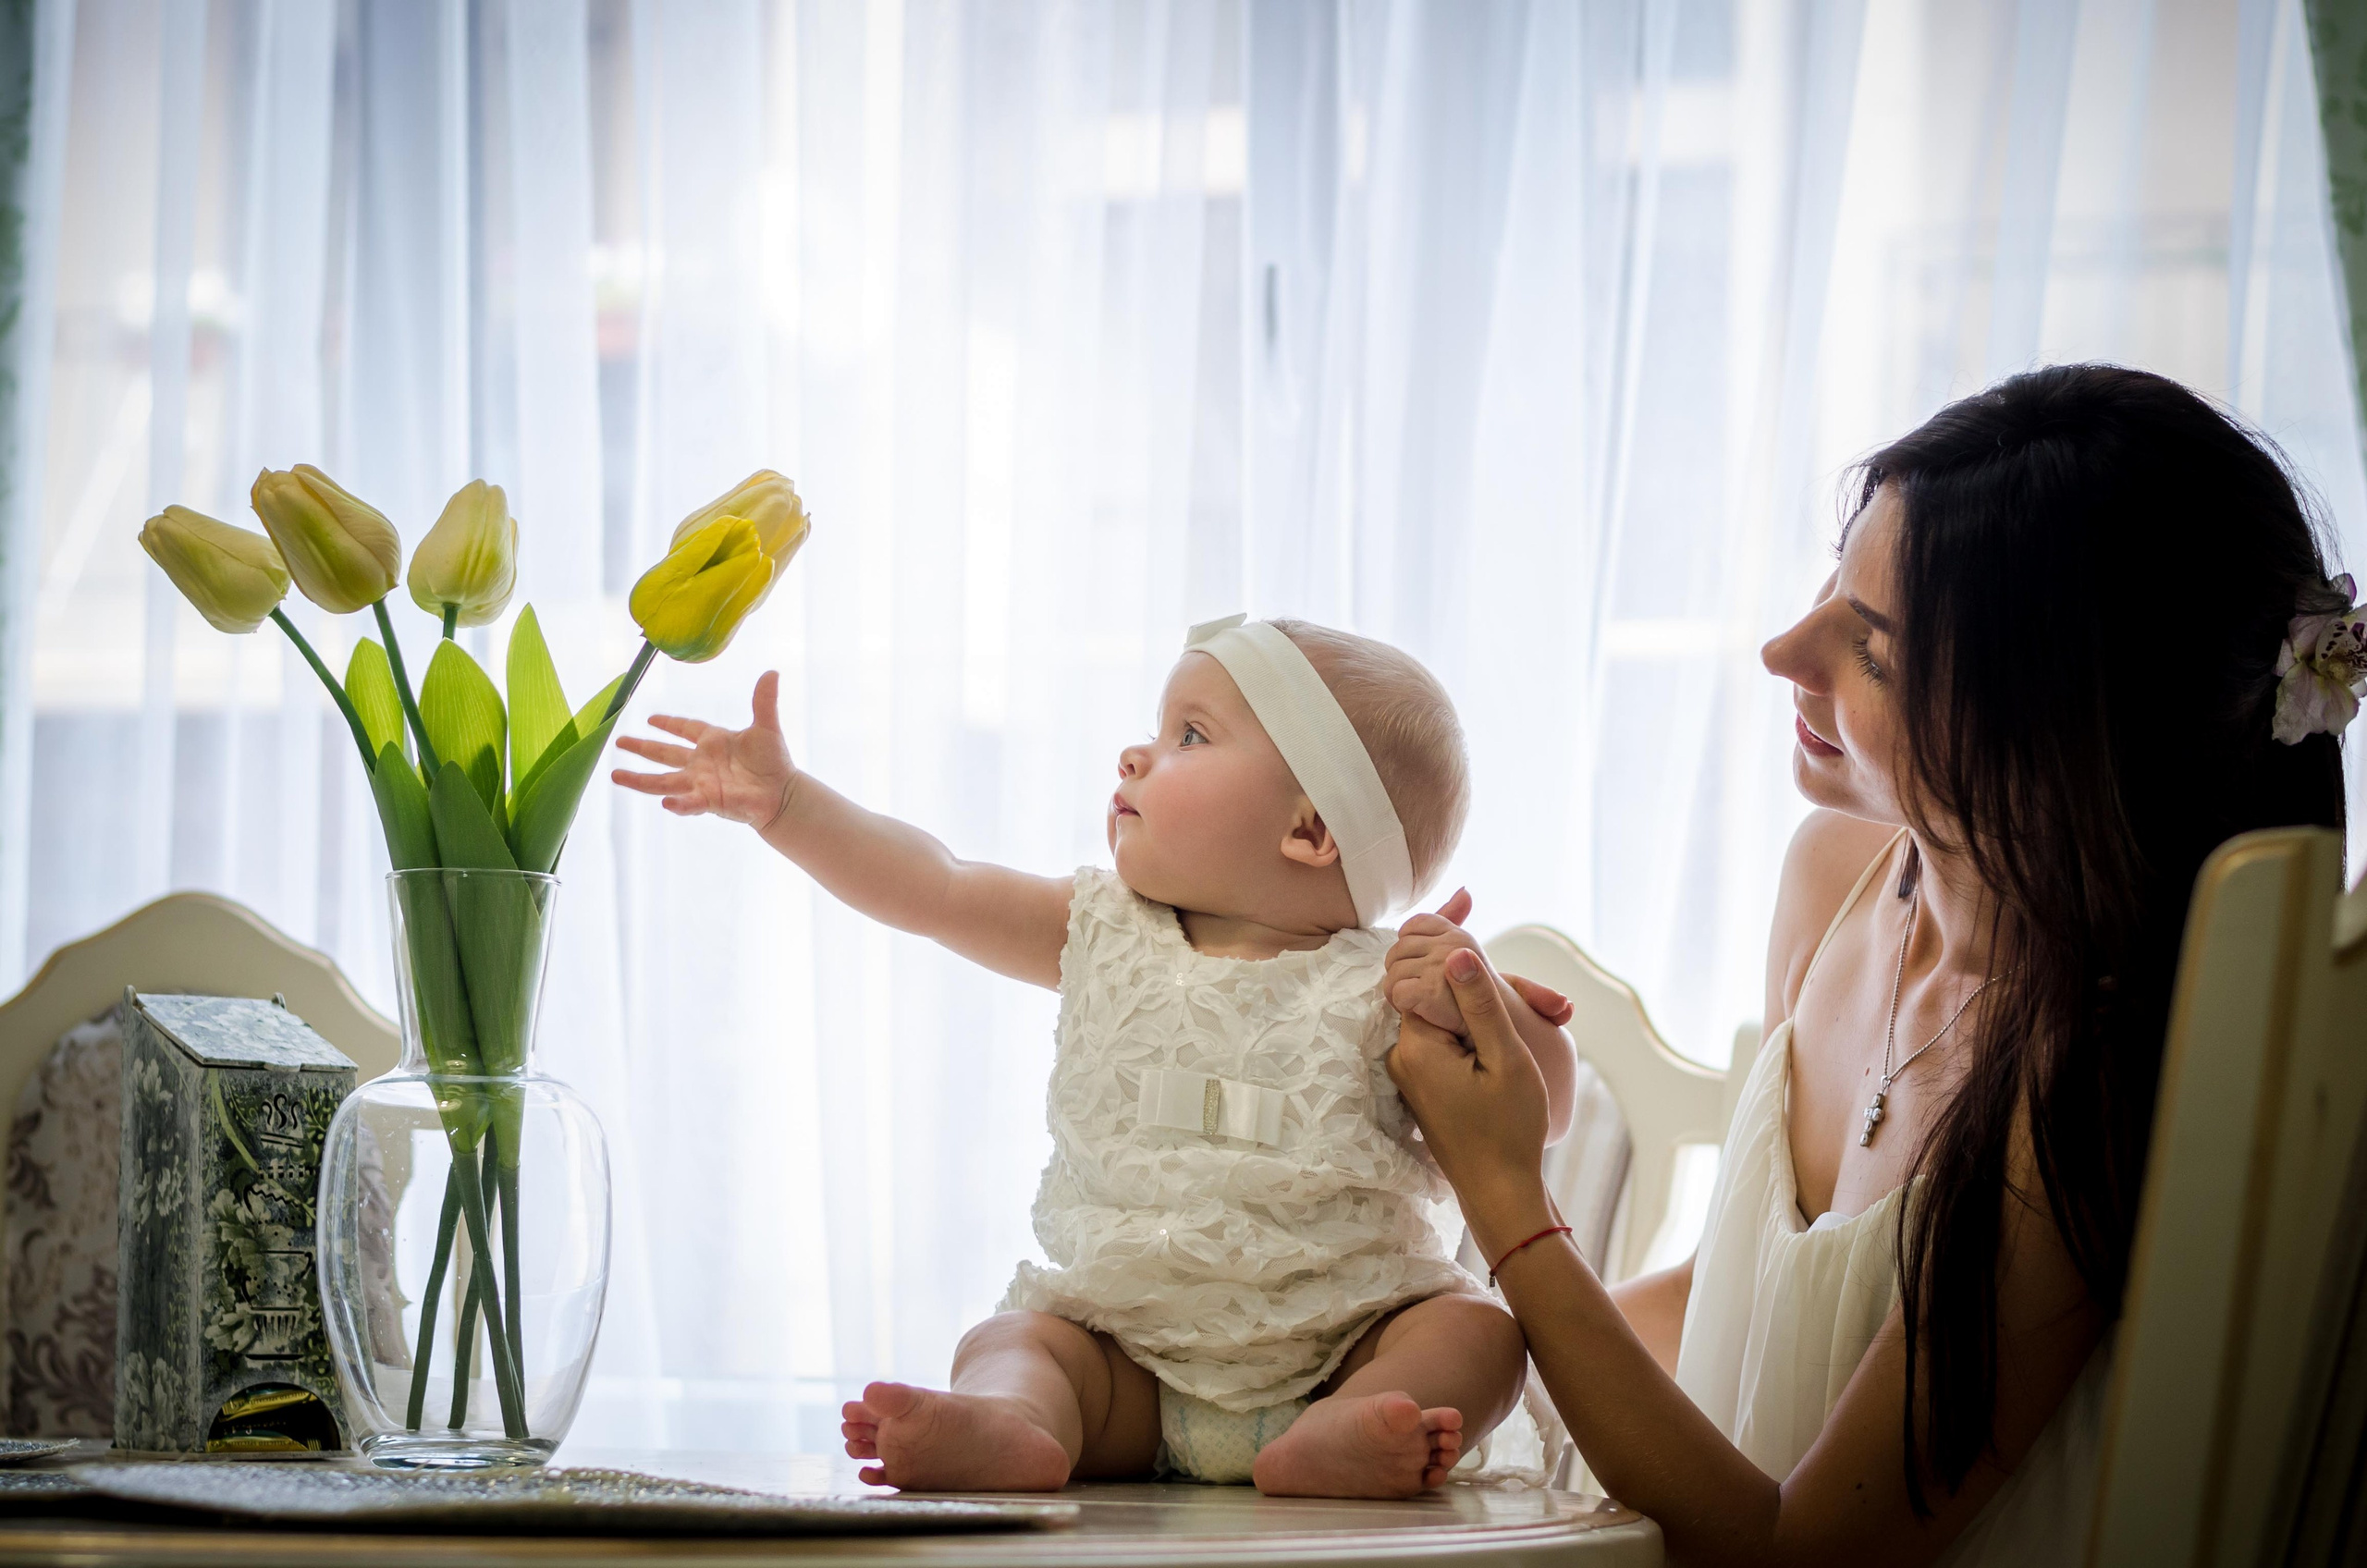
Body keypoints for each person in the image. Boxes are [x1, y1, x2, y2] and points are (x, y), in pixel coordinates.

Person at [1383, 364, 2350, 1564]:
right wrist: (1420, 1368)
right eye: (1831, 591)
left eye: (1874, 651)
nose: (1785, 648)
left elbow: (1799, 1548)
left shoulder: (2086, 1085)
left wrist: (1509, 1195)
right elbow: (1739, 1307)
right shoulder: (1832, 880)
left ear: (2050, 740)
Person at [611, 615, 1580, 1497]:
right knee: (1015, 1340)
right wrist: (790, 806)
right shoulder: (1099, 931)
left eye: (1188, 735)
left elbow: (1549, 1104)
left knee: (1479, 1335)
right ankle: (1017, 1421)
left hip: (1348, 1341)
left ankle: (1335, 1432)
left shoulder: (1390, 985)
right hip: (1129, 1363)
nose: (1135, 753)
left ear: (1310, 829)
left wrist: (1477, 999)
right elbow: (936, 886)